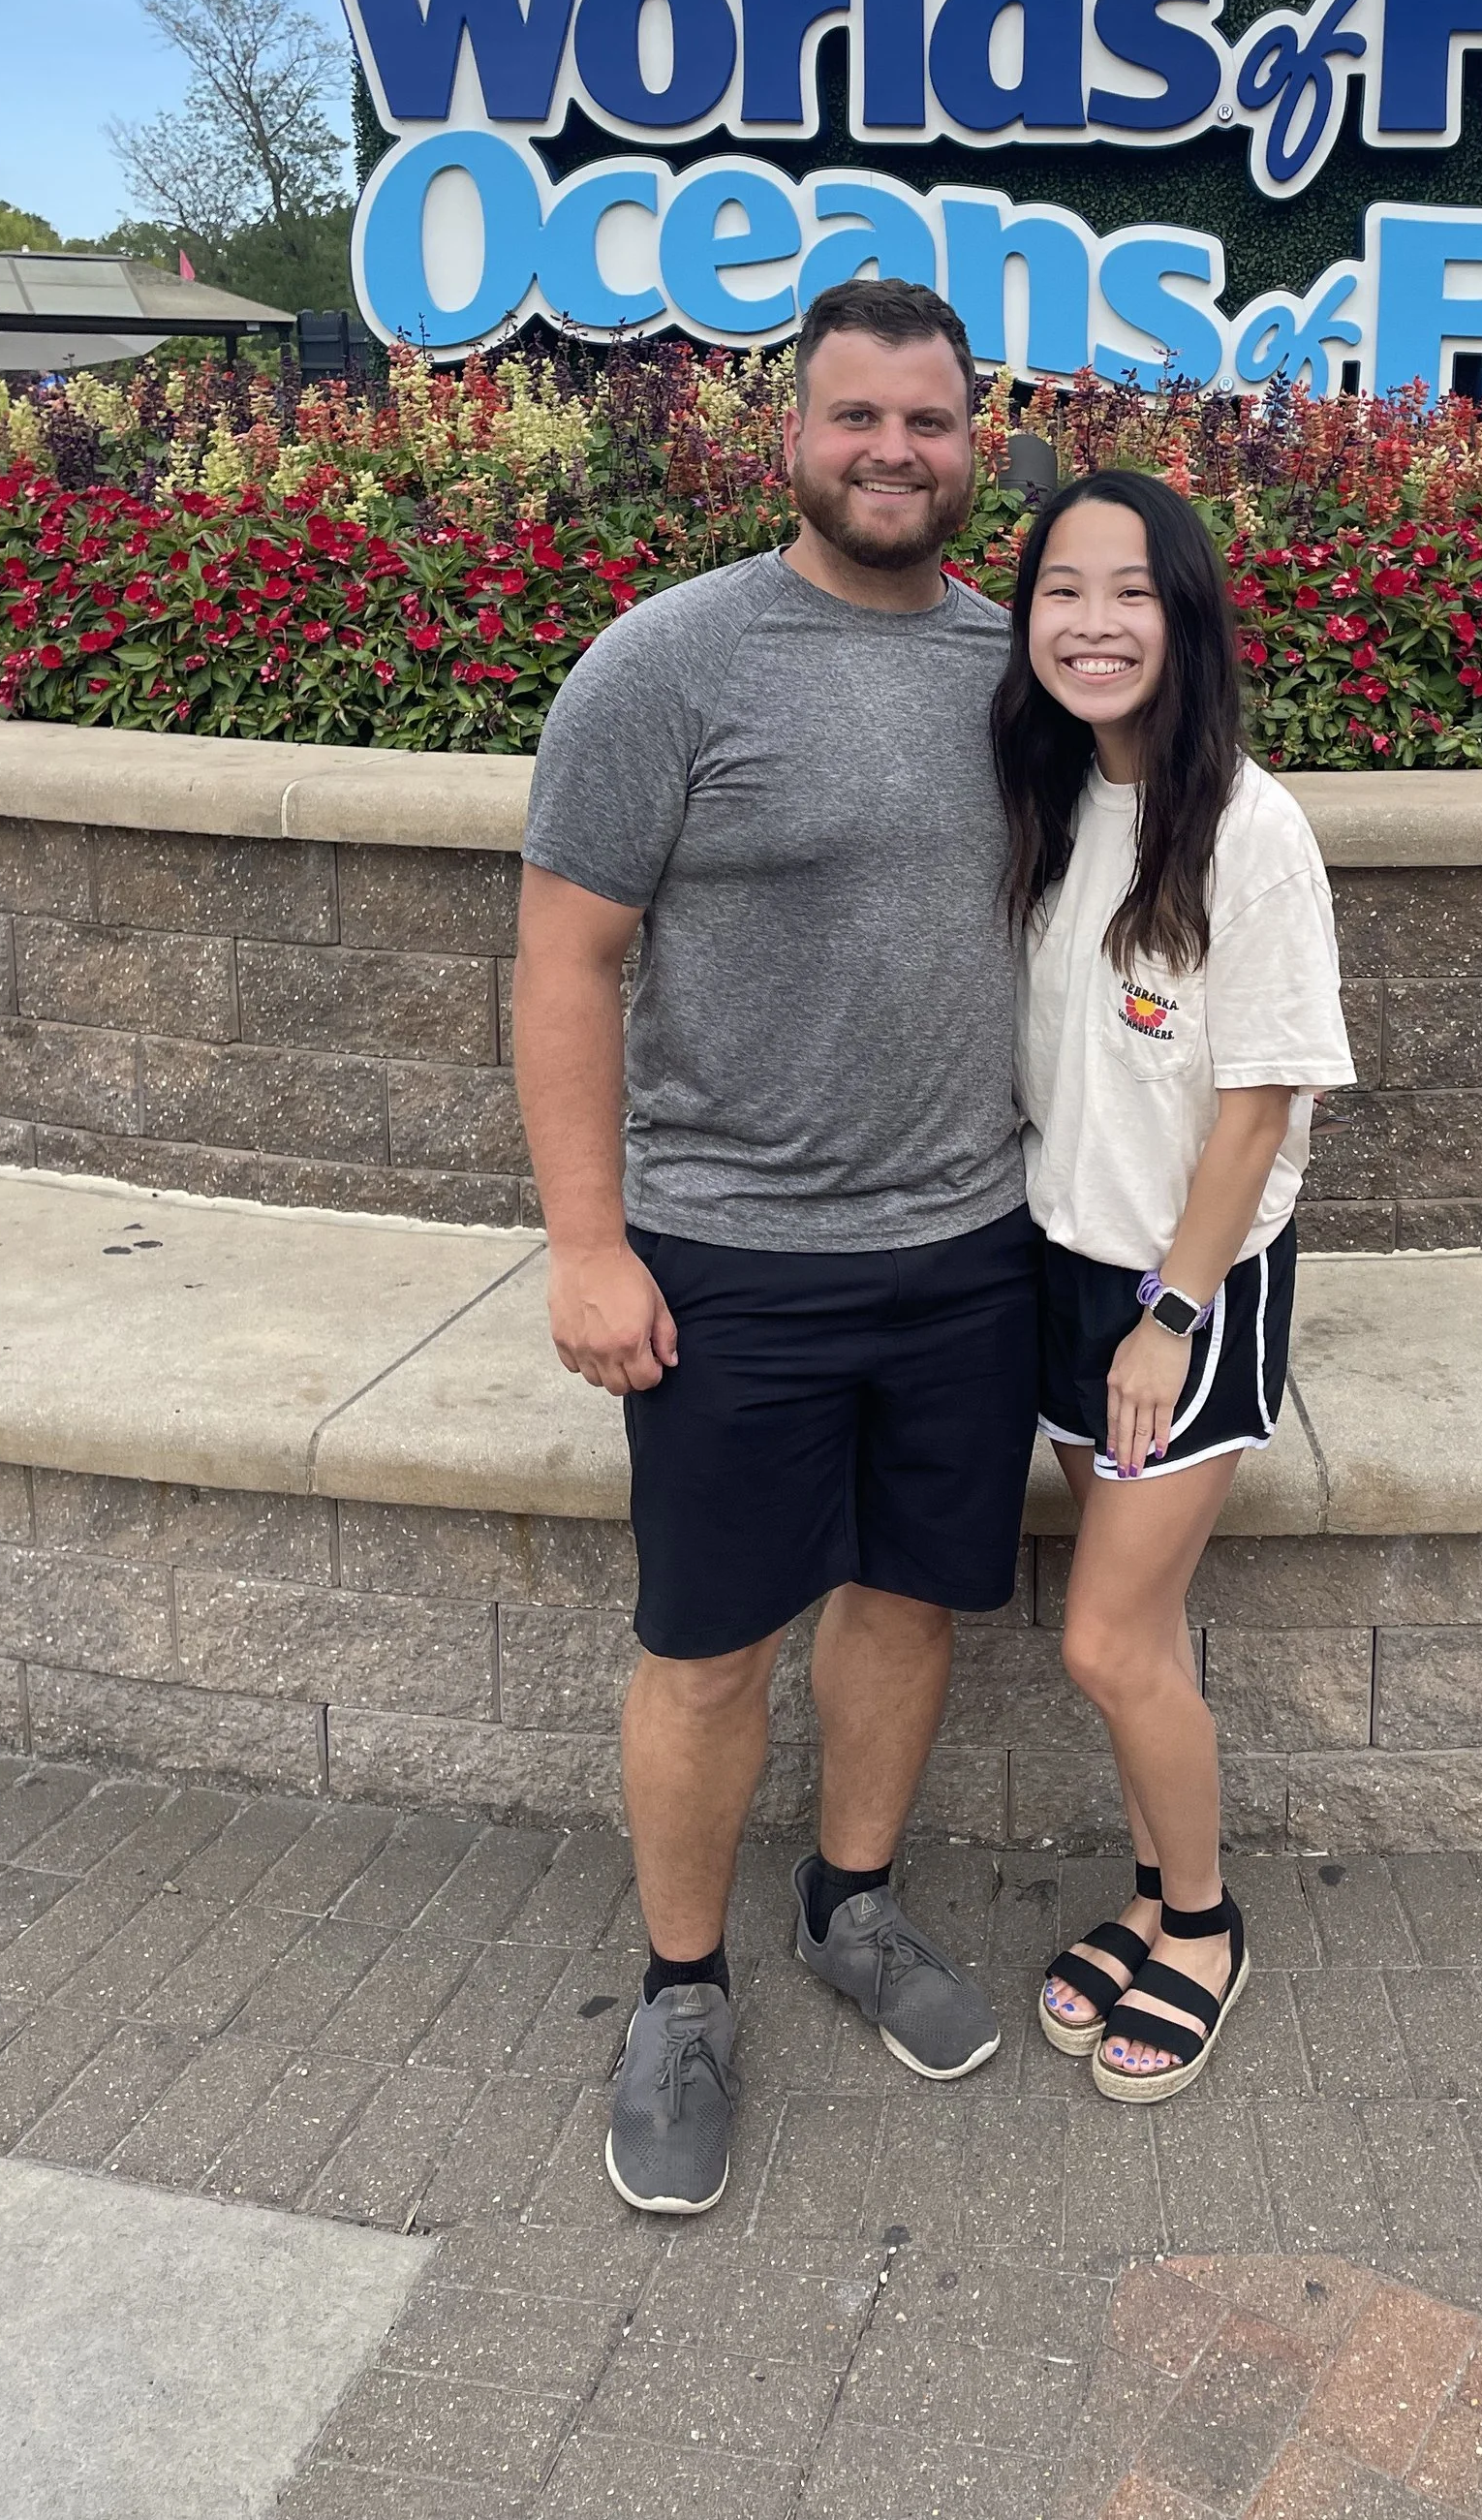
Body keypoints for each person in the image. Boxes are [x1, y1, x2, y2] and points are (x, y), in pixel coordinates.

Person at [513, 276, 1037, 2218]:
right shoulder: (668, 664)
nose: (891, 451)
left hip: (971, 1240)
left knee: (907, 1604)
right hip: (725, 1252)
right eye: (854, 418)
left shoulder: (1022, 662)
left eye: (926, 419)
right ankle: (674, 1991)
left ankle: (852, 1904)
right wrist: (585, 1246)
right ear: (788, 434)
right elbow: (564, 961)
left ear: (974, 440)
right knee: (708, 1642)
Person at [996, 468, 1354, 2102]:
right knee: (1142, 1636)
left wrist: (1174, 1314)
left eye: (1129, 590)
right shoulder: (1057, 801)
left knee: (1105, 1640)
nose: (1092, 622)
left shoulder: (1252, 831)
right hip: (1062, 1265)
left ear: (1185, 612)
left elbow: (1260, 1103)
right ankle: (1147, 1894)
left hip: (1181, 1297)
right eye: (1061, 589)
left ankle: (1203, 1924)